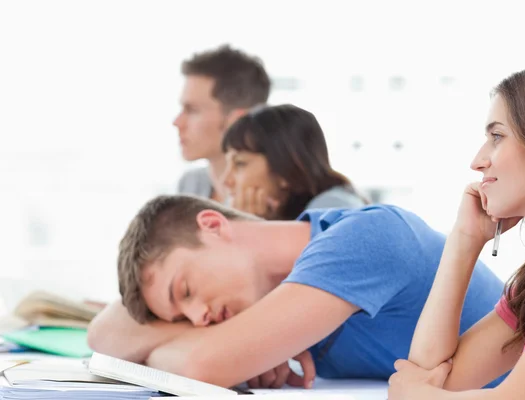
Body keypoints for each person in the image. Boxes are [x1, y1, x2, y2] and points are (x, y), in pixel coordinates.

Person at [87, 195, 504, 389]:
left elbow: (202, 366)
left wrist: (216, 353)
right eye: (180, 320)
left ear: (213, 225)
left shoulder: (364, 238)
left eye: (187, 290)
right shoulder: (289, 296)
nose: (198, 318)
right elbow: (103, 335)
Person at [388, 63, 525, 400]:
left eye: (497, 136)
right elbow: (433, 374)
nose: (477, 161)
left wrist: (418, 396)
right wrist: (464, 241)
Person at [221, 104, 366, 219]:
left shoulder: (331, 210)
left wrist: (250, 229)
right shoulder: (278, 213)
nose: (226, 180)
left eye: (240, 163)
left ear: (285, 168)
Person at [174, 44, 270, 203]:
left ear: (237, 121)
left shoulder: (279, 199)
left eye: (193, 110)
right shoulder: (190, 186)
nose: (177, 122)